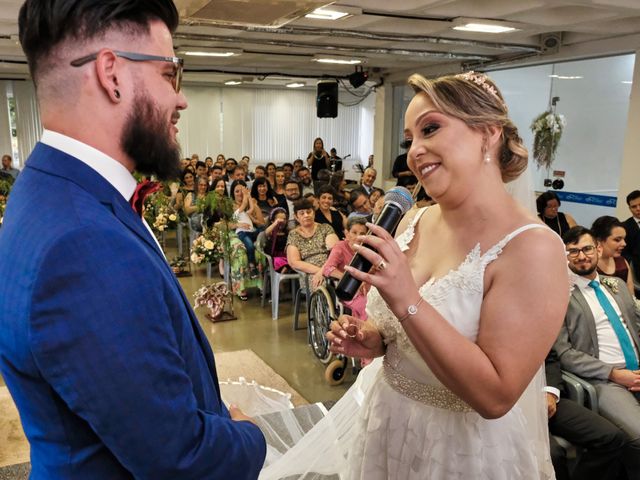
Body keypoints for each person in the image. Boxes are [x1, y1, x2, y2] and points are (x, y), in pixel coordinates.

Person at [0, 1, 265, 478]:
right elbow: (180, 459)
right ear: (112, 74)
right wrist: (251, 434)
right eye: (169, 74)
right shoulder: (82, 245)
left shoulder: (48, 191)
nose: (180, 100)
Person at [263, 71, 569, 480]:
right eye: (410, 140)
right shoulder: (412, 219)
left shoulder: (534, 248)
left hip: (461, 449)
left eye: (431, 129)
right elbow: (403, 335)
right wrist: (373, 337)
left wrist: (408, 301)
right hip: (387, 420)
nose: (415, 151)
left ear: (489, 133)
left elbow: (496, 395)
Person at [554, 226, 640, 476]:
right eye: (573, 251)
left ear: (598, 249)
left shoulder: (616, 285)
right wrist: (613, 374)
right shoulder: (560, 296)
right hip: (604, 379)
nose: (582, 256)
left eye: (587, 248)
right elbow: (565, 352)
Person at [545, 349, 625, 480]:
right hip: (508, 409)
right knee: (552, 455)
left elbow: (549, 360)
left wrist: (550, 392)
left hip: (543, 395)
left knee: (610, 438)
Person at [321, 216, 368, 320]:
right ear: (347, 233)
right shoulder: (340, 247)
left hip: (367, 287)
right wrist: (350, 278)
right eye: (354, 232)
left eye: (362, 234)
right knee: (366, 307)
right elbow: (328, 268)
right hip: (348, 289)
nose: (358, 237)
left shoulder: (367, 249)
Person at [286, 198, 338, 290]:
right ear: (296, 217)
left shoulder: (325, 228)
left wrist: (324, 270)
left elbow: (335, 251)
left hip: (331, 266)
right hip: (309, 272)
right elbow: (294, 262)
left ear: (313, 213)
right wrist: (320, 272)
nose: (306, 215)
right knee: (320, 284)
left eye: (309, 212)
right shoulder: (293, 234)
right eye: (302, 213)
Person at [592, 215, 635, 295]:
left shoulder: (622, 262)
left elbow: (631, 296)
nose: (624, 244)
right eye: (617, 240)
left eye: (624, 239)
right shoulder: (589, 264)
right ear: (599, 240)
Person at [621, 190, 640, 296]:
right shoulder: (623, 227)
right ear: (629, 208)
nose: (638, 209)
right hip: (634, 275)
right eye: (634, 206)